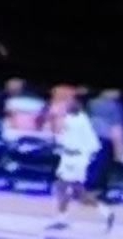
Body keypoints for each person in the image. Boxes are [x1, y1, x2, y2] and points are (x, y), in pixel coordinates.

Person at [49, 85, 102, 227]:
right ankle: (61, 219)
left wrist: (86, 157)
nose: (68, 104)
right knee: (71, 190)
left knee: (67, 188)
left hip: (77, 158)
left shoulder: (82, 120)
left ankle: (62, 219)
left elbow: (93, 143)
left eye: (71, 102)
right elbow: (61, 137)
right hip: (67, 157)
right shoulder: (68, 118)